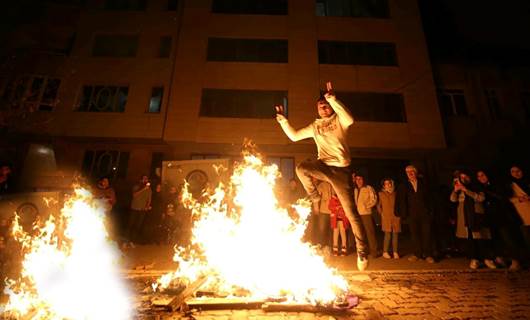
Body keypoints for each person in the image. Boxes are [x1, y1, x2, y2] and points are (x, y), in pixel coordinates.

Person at [275, 81, 369, 271]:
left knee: (352, 214)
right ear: (317, 109)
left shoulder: (339, 120)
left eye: (325, 106)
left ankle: (362, 252)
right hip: (323, 165)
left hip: (341, 171)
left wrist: (333, 99)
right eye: (320, 106)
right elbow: (294, 136)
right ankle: (315, 196)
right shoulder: (314, 126)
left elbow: (350, 119)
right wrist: (284, 121)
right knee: (301, 168)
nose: (323, 108)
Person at [477, 170, 522, 271]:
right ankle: (502, 259)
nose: (481, 178)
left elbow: (502, 197)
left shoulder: (496, 185)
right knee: (497, 239)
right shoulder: (481, 188)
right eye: (479, 176)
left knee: (508, 238)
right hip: (491, 217)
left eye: (483, 175)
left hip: (502, 216)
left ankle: (516, 260)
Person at [450, 170, 496, 269]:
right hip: (465, 217)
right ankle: (475, 259)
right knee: (470, 239)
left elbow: (480, 198)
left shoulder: (476, 186)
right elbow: (453, 200)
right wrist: (455, 190)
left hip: (476, 215)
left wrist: (466, 190)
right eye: (461, 177)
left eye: (465, 177)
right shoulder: (459, 189)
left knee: (481, 238)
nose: (463, 179)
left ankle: (487, 259)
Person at [396, 165, 435, 263]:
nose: (410, 173)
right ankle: (417, 254)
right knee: (414, 235)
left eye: (412, 171)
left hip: (425, 214)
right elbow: (399, 200)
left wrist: (431, 212)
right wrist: (400, 213)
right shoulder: (403, 185)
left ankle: (428, 255)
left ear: (416, 172)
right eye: (407, 172)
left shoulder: (424, 184)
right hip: (411, 214)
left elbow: (431, 198)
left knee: (427, 234)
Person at [354, 173, 379, 258]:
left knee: (370, 233)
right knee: (361, 234)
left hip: (366, 214)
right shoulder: (356, 190)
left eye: (360, 179)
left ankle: (374, 252)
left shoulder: (368, 188)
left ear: (363, 179)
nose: (358, 181)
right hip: (358, 214)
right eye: (357, 179)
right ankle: (364, 251)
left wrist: (367, 206)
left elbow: (374, 199)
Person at [377, 178, 401, 259]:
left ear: (391, 184)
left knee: (395, 234)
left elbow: (399, 204)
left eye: (389, 183)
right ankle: (385, 252)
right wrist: (381, 213)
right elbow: (378, 205)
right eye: (386, 184)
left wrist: (399, 213)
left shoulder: (395, 193)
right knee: (387, 235)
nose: (388, 185)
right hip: (386, 217)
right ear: (384, 185)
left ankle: (395, 252)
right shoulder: (381, 194)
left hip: (395, 217)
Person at [508, 165, 530, 250]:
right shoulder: (510, 185)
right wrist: (519, 199)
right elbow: (508, 199)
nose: (516, 173)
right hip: (523, 215)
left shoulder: (527, 181)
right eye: (513, 171)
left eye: (518, 170)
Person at [126, 175, 152, 245]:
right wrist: (143, 189)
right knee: (130, 224)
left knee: (138, 225)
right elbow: (134, 195)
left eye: (146, 179)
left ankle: (132, 241)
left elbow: (149, 199)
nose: (145, 180)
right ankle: (127, 239)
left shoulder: (149, 189)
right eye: (144, 179)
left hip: (142, 210)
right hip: (134, 208)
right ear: (141, 180)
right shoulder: (136, 187)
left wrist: (147, 206)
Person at [328, 190, 349, 256]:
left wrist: (341, 208)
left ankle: (344, 249)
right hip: (335, 219)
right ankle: (335, 249)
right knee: (335, 233)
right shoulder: (333, 198)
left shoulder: (343, 197)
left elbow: (346, 206)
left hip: (343, 218)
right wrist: (337, 208)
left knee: (343, 233)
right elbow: (330, 207)